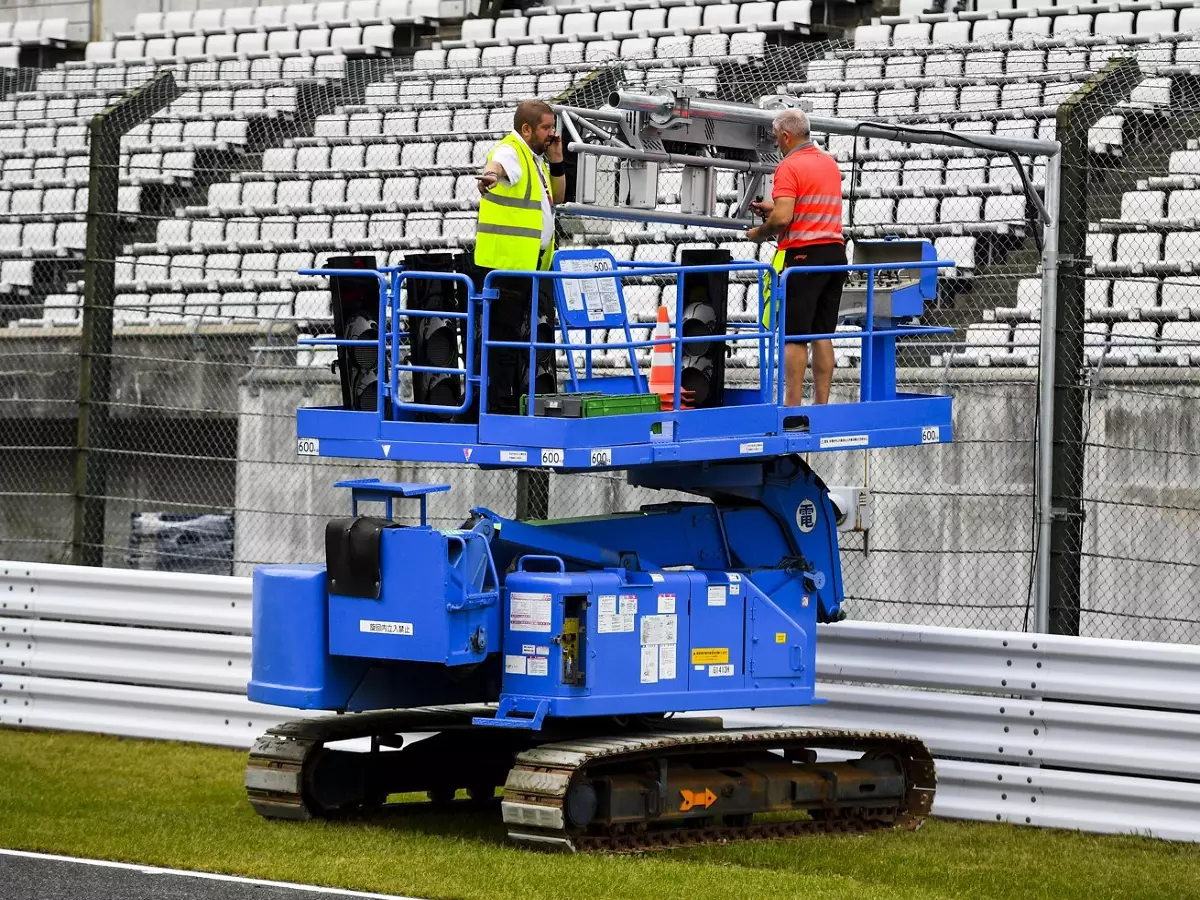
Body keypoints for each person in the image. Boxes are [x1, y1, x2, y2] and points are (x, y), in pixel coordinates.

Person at [469, 99, 566, 416]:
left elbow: (560, 196)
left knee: (519, 341)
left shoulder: (536, 159)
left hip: (530, 267)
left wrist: (557, 159)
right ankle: (500, 407)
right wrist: (490, 176)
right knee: (504, 342)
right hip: (506, 267)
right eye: (545, 127)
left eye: (553, 126)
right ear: (527, 129)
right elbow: (498, 165)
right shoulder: (512, 150)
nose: (551, 133)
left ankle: (510, 404)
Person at [746, 107, 846, 408]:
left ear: (787, 136)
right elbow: (805, 206)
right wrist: (774, 208)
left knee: (794, 336)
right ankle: (822, 405)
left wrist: (760, 231)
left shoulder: (788, 167)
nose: (777, 144)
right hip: (835, 253)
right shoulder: (829, 163)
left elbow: (782, 220)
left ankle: (791, 407)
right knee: (822, 333)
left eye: (777, 139)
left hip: (804, 257)